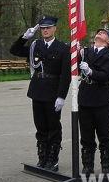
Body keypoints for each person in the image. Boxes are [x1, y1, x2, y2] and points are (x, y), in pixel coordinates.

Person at [10, 16, 70, 172]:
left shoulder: (62, 47)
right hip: (37, 91)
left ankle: (53, 159)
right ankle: (42, 157)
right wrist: (24, 38)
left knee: (53, 127)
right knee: (41, 126)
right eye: (43, 28)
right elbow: (14, 50)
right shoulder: (35, 45)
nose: (45, 30)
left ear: (54, 28)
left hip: (52, 92)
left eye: (48, 27)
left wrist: (61, 96)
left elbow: (65, 75)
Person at [78, 28, 109, 176]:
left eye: (103, 33)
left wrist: (90, 72)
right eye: (99, 32)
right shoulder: (85, 52)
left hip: (101, 99)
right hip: (85, 97)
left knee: (104, 135)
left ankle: (106, 165)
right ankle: (87, 166)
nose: (99, 33)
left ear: (108, 41)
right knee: (86, 135)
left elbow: (106, 75)